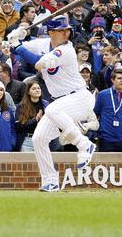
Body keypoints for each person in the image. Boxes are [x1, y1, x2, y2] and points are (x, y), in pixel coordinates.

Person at [9, 17, 97, 192]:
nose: (66, 33)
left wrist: (18, 46)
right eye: (61, 30)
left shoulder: (67, 50)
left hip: (80, 98)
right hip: (63, 103)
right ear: (50, 33)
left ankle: (84, 144)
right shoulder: (43, 44)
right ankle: (50, 181)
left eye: (67, 30)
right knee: (39, 139)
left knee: (50, 109)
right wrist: (16, 36)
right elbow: (24, 48)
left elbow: (36, 62)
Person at [93, 66, 122, 151]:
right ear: (112, 80)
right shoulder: (102, 95)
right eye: (119, 78)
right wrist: (96, 134)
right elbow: (95, 114)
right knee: (106, 164)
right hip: (106, 139)